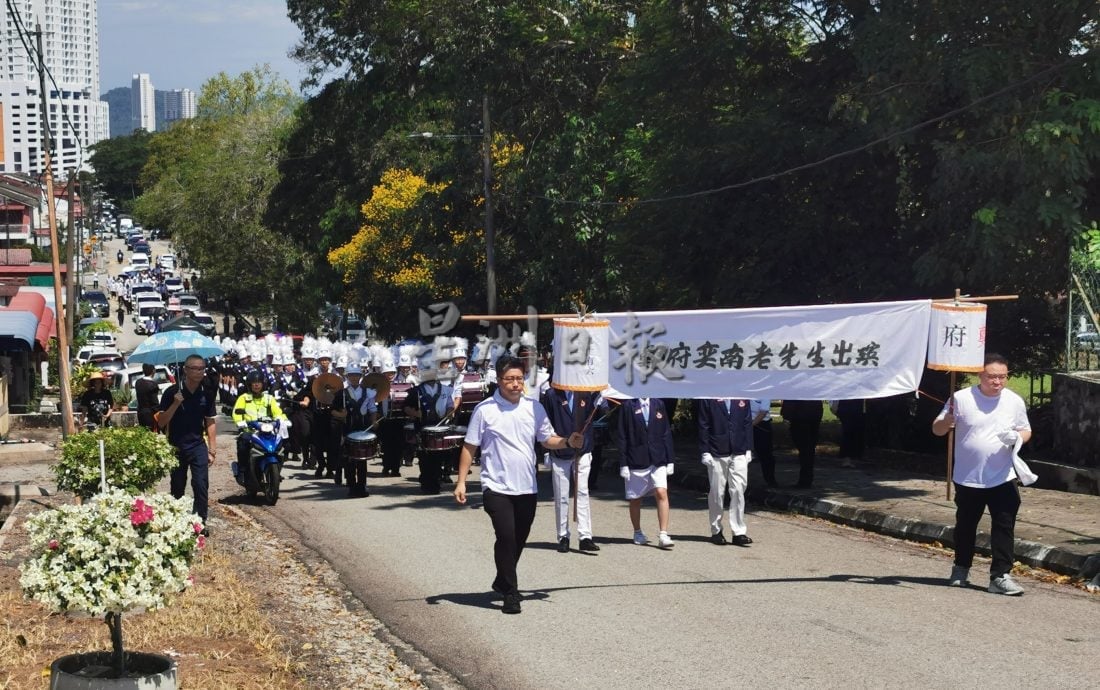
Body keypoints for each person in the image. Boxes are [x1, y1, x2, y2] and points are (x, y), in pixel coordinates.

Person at [453, 357, 583, 614]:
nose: (515, 384)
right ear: (499, 381)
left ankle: (502, 580)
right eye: (509, 379)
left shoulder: (534, 408)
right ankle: (511, 594)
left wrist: (568, 441)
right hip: (496, 486)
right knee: (506, 535)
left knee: (518, 539)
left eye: (519, 379)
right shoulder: (485, 409)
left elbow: (547, 439)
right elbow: (470, 446)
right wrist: (461, 482)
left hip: (527, 487)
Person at [932, 353, 1031, 596]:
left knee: (1004, 525)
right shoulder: (961, 398)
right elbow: (937, 429)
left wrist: (1017, 438)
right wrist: (947, 421)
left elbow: (1025, 429)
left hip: (1002, 475)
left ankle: (1000, 576)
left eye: (1002, 377)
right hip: (968, 476)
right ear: (981, 375)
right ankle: (961, 568)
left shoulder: (1014, 401)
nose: (997, 382)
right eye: (992, 377)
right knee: (965, 525)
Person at [157, 354, 218, 530]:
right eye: (195, 368)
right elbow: (161, 422)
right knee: (177, 485)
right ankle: (178, 521)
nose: (199, 372)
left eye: (202, 368)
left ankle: (200, 521)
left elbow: (210, 421)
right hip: (176, 445)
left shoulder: (206, 393)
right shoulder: (171, 393)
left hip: (198, 445)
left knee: (200, 484)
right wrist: (175, 404)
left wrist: (212, 450)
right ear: (185, 370)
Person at [541, 386, 603, 553]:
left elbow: (592, 417)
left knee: (582, 491)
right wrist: (547, 451)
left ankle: (585, 536)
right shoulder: (552, 394)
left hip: (582, 451)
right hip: (560, 450)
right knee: (562, 495)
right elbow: (545, 423)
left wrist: (601, 398)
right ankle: (563, 536)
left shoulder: (585, 391)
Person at [614, 397, 676, 549]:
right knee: (636, 498)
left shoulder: (658, 403)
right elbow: (622, 436)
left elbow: (666, 431)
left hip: (658, 457)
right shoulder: (628, 406)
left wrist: (670, 459)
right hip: (636, 458)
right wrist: (623, 463)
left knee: (661, 492)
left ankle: (663, 534)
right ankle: (637, 531)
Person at [697, 398, 754, 546]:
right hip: (717, 450)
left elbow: (747, 422)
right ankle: (716, 530)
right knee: (717, 492)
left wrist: (748, 447)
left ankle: (738, 531)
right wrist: (705, 451)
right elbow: (703, 425)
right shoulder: (709, 397)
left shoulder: (741, 396)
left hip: (739, 449)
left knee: (739, 490)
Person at [404, 362, 461, 494]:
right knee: (424, 457)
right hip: (423, 426)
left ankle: (435, 482)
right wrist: (414, 413)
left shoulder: (446, 390)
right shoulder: (416, 391)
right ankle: (426, 482)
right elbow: (405, 407)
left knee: (439, 456)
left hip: (440, 426)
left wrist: (450, 411)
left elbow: (450, 405)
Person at [231, 370, 289, 490]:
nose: (256, 385)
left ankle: (276, 470)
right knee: (243, 443)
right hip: (250, 430)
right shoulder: (244, 398)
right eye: (254, 383)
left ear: (263, 384)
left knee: (282, 445)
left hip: (266, 430)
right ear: (249, 384)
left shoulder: (269, 398)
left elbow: (277, 412)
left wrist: (283, 420)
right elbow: (236, 412)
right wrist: (240, 422)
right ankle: (242, 471)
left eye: (259, 382)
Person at [340, 363, 377, 497]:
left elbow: (372, 409)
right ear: (348, 377)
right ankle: (351, 485)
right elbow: (335, 411)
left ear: (360, 376)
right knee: (349, 458)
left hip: (363, 428)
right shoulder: (343, 393)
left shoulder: (368, 392)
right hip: (348, 427)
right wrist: (341, 415)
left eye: (356, 375)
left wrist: (373, 421)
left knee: (362, 458)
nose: (354, 378)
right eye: (351, 375)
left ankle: (362, 485)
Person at [781, 399, 823, 488]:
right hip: (813, 417)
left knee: (805, 450)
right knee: (809, 450)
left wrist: (786, 417)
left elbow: (790, 401)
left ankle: (804, 480)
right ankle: (807, 478)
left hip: (800, 419)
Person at [750, 399, 776, 487]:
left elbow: (763, 412)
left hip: (762, 425)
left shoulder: (765, 393)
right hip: (745, 424)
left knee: (765, 454)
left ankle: (770, 480)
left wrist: (750, 425)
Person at [134, 363, 160, 431]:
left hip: (140, 411)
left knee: (143, 432)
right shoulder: (153, 385)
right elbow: (154, 402)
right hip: (150, 414)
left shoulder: (138, 382)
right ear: (153, 371)